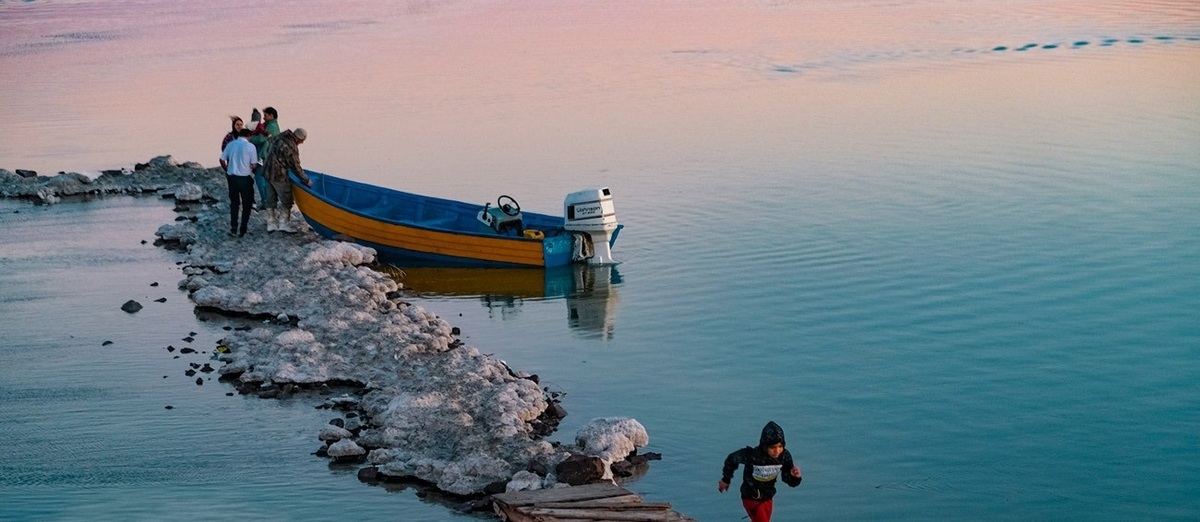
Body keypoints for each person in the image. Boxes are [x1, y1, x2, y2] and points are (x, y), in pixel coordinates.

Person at [719, 421, 803, 522]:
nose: (777, 451)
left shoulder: (784, 456)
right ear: (765, 445)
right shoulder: (753, 455)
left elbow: (787, 479)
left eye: (780, 446)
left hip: (768, 497)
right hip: (750, 496)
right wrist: (726, 479)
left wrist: (794, 477)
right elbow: (732, 459)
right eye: (773, 447)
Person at [262, 127, 311, 233]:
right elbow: (295, 167)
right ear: (298, 139)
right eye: (302, 141)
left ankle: (271, 224)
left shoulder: (280, 137)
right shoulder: (291, 147)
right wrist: (306, 180)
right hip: (279, 175)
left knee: (270, 199)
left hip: (267, 171)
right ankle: (284, 224)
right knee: (287, 200)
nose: (301, 143)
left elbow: (268, 147)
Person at [219, 128, 259, 237]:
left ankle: (233, 228)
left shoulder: (231, 144)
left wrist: (227, 170)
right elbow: (254, 164)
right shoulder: (251, 147)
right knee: (247, 204)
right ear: (249, 136)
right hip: (245, 178)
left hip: (232, 178)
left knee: (234, 204)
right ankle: (243, 229)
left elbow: (222, 159)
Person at [248, 107, 279, 209]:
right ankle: (266, 201)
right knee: (263, 178)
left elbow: (261, 139)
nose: (264, 118)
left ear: (271, 115)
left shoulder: (272, 127)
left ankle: (266, 202)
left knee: (260, 178)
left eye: (265, 115)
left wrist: (249, 139)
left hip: (265, 156)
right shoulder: (268, 125)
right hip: (265, 155)